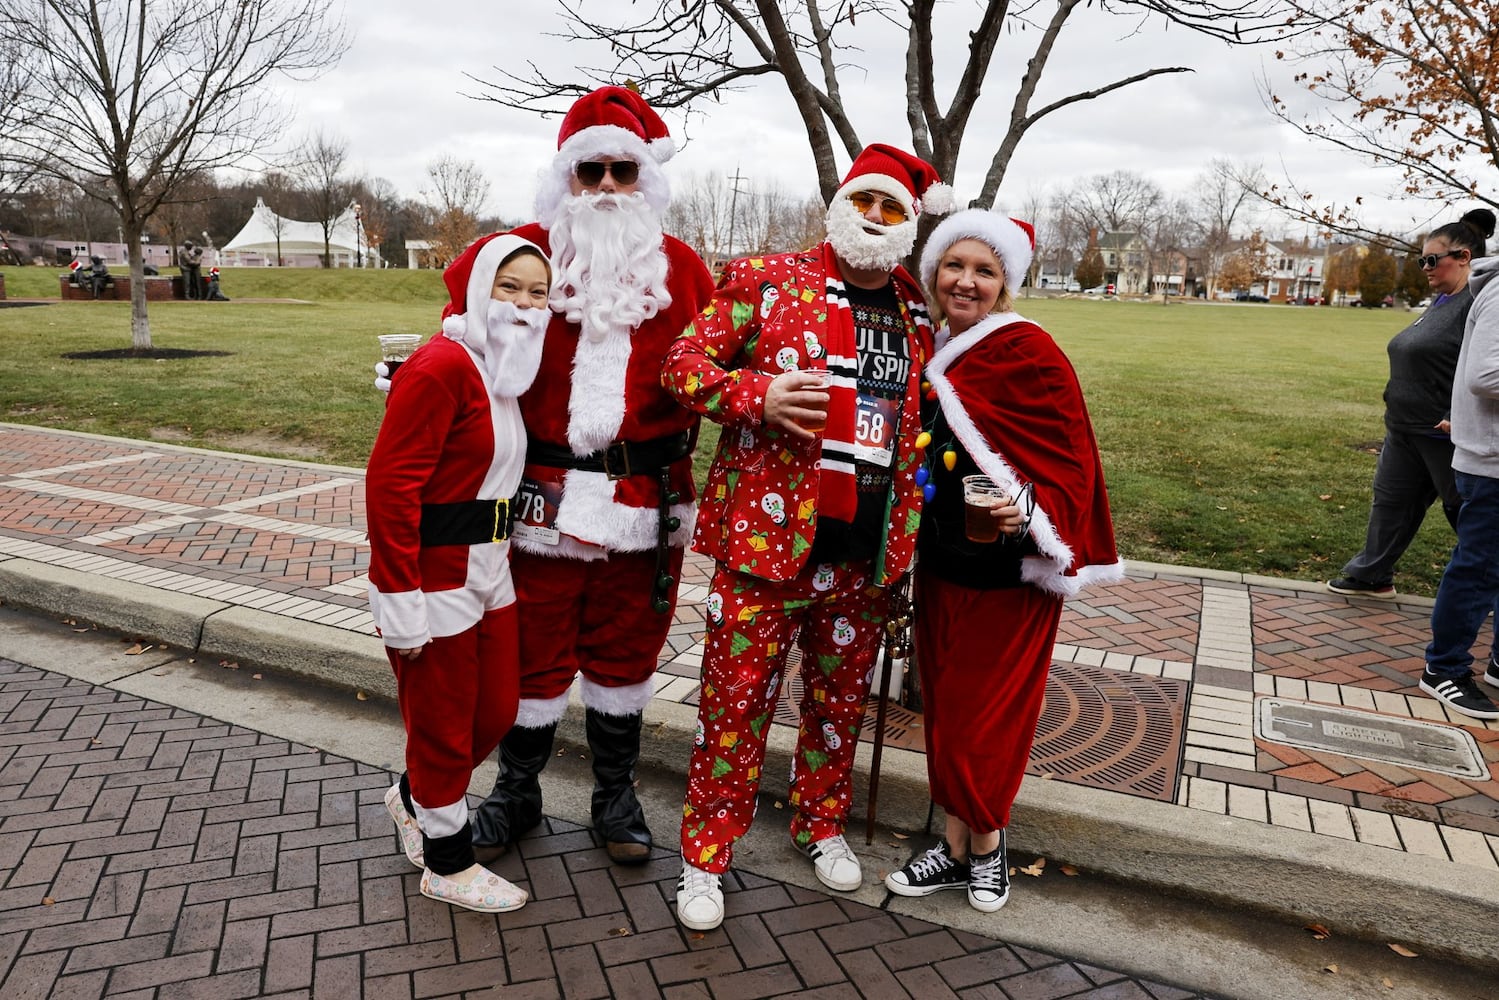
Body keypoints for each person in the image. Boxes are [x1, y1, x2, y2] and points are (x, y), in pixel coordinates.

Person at [661, 143, 954, 930]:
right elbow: (682, 365)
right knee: (732, 708)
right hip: (764, 553)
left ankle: (818, 825)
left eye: (893, 209)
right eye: (866, 201)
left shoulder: (915, 312)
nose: (875, 218)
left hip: (863, 558)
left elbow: (925, 426)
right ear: (839, 201)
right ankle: (705, 857)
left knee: (837, 707)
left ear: (909, 225)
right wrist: (755, 394)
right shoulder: (764, 279)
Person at [467, 86, 716, 867]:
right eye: (590, 172)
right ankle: (517, 791)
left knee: (626, 654)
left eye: (623, 171)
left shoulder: (683, 270)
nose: (607, 188)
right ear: (564, 179)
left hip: (644, 502)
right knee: (532, 653)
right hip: (542, 500)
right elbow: (464, 333)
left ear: (647, 181)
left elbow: (722, 368)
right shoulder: (519, 258)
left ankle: (615, 793)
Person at [883, 209, 1122, 912]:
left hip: (1011, 576)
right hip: (939, 566)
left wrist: (1029, 507)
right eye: (953, 266)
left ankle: (987, 849)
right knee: (948, 716)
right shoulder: (929, 346)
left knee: (986, 724)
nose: (965, 280)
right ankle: (954, 849)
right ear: (933, 274)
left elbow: (1072, 468)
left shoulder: (1028, 353)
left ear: (1004, 284)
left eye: (984, 271)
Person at [366, 233, 552, 912]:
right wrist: (399, 599)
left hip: (489, 572)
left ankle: (416, 795)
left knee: (496, 710)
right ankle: (446, 860)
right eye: (511, 287)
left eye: (538, 292)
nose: (527, 304)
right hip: (433, 577)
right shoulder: (440, 365)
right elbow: (390, 489)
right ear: (478, 289)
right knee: (444, 726)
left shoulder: (501, 371)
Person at [1328, 209, 1498, 600]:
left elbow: (1482, 366)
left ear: (1464, 258)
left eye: (1432, 260)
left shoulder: (1478, 304)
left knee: (1467, 514)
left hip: (1443, 432)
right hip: (1405, 426)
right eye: (1421, 259)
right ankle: (1372, 574)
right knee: (1391, 502)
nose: (1424, 267)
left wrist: (1456, 416)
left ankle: (1485, 587)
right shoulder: (1439, 303)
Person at [1420, 213, 1499, 720]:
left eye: (1432, 259)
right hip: (1491, 459)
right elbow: (1486, 375)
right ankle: (1443, 668)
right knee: (1479, 566)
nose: (1426, 268)